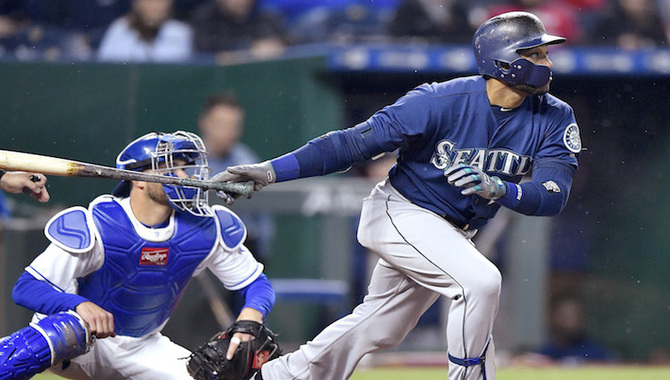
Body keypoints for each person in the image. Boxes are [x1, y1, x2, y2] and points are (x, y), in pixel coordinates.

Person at [213, 11, 581, 380]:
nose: (547, 63)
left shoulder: (555, 117)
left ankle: (277, 376)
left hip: (453, 232)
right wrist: (272, 171)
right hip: (402, 212)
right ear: (504, 59)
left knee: (380, 326)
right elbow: (351, 145)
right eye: (535, 54)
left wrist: (501, 188)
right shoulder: (439, 100)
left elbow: (551, 195)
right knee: (480, 283)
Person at [9, 131, 275, 379]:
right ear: (137, 178)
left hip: (141, 345)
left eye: (184, 167)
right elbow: (26, 288)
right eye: (171, 167)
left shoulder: (204, 228)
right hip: (79, 336)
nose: (183, 176)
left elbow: (256, 284)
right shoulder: (98, 224)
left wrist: (252, 314)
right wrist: (77, 304)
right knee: (52, 337)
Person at [197, 93, 273, 263]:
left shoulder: (247, 160)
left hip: (242, 248)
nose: (228, 132)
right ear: (204, 122)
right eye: (221, 124)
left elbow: (263, 216)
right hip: (198, 248)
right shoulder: (187, 162)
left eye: (234, 125)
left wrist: (262, 255)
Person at [97, 0, 193, 62]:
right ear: (136, 3)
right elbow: (107, 73)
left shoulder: (181, 33)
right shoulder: (119, 30)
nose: (158, 6)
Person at [188, 0, 286, 61]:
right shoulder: (205, 18)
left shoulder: (266, 15)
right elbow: (207, 54)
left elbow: (291, 42)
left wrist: (277, 45)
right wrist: (249, 52)